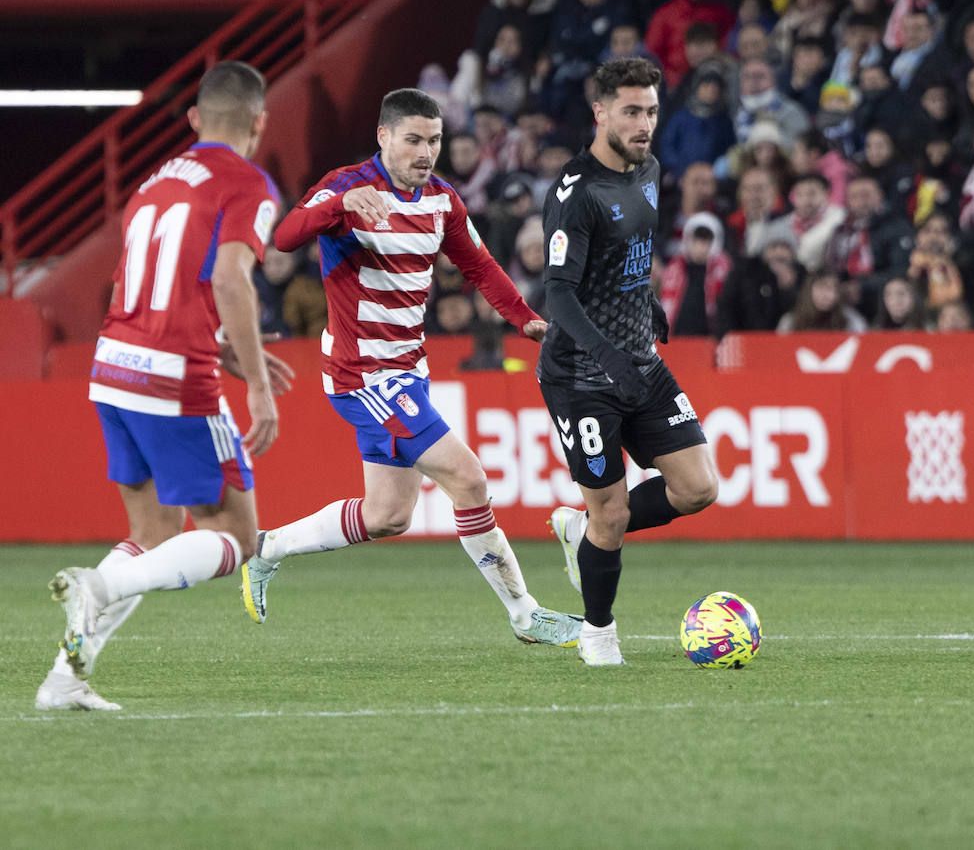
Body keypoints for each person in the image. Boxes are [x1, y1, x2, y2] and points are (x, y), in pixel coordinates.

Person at [240, 88, 583, 649]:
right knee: (469, 478)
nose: (427, 152)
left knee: (388, 516)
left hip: (408, 369)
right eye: (415, 140)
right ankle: (526, 614)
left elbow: (479, 264)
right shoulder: (347, 187)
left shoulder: (443, 200)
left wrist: (524, 320)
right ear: (384, 137)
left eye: (435, 140)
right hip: (363, 374)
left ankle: (268, 547)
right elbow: (282, 237)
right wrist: (338, 208)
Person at [42, 61, 292, 710]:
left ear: (192, 121)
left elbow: (150, 289)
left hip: (113, 364)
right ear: (259, 122)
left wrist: (224, 351)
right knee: (236, 537)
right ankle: (97, 587)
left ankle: (66, 678)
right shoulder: (249, 183)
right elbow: (231, 279)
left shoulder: (154, 183)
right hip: (173, 378)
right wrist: (258, 381)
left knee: (152, 533)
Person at [539, 58, 718, 666]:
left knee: (698, 488)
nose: (645, 124)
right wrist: (608, 355)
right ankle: (598, 633)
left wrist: (649, 303)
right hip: (580, 375)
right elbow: (559, 294)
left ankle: (581, 528)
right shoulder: (577, 192)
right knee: (611, 513)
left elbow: (629, 257)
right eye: (632, 112)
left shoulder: (649, 173)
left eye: (651, 111)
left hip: (638, 358)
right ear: (601, 113)